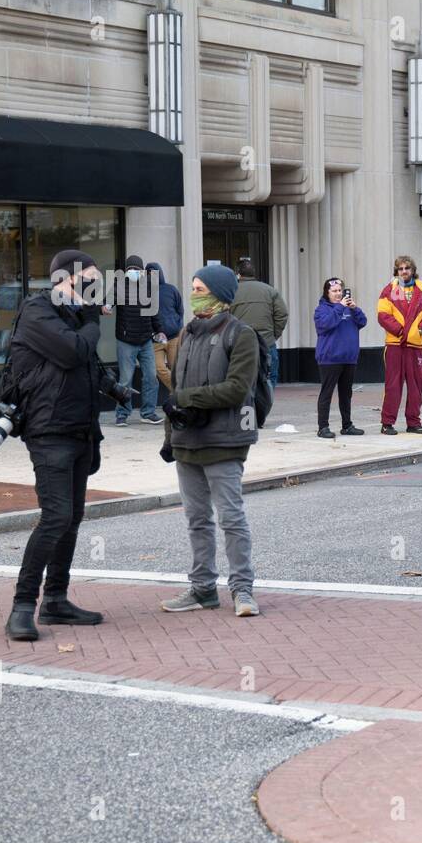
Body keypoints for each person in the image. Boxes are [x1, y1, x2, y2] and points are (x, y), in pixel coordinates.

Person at [4, 250, 108, 641]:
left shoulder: (73, 315)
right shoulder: (38, 310)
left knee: (73, 517)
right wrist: (93, 318)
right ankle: (22, 606)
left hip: (80, 429)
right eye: (90, 280)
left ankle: (56, 600)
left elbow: (87, 365)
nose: (96, 289)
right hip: (49, 430)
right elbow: (73, 352)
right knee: (56, 516)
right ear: (68, 278)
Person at [158, 264, 261, 618]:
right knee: (196, 519)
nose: (194, 293)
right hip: (188, 441)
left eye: (201, 288)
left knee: (231, 518)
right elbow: (177, 389)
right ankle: (202, 588)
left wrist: (186, 400)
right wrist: (170, 436)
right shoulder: (186, 334)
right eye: (193, 287)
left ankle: (242, 590)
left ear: (220, 294)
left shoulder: (240, 334)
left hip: (224, 440)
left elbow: (237, 389)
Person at [376, 255, 422, 435]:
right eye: (400, 269)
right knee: (393, 385)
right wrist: (401, 332)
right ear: (396, 272)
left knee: (416, 385)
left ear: (412, 270)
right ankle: (387, 423)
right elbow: (383, 316)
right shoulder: (389, 291)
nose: (404, 272)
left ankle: (413, 422)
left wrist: (420, 330)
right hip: (395, 345)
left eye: (407, 268)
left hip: (416, 345)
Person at [113, 255, 163, 425]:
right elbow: (107, 302)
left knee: (151, 377)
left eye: (136, 269)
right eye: (130, 269)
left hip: (146, 340)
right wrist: (104, 307)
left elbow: (154, 312)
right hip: (126, 340)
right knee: (125, 380)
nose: (133, 272)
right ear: (126, 272)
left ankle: (148, 412)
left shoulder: (149, 287)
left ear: (142, 272)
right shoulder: (119, 286)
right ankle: (122, 413)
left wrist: (159, 330)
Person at [314, 277, 367, 438]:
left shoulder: (349, 308)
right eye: (334, 291)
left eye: (340, 291)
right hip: (330, 358)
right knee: (327, 393)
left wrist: (355, 308)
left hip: (349, 358)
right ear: (327, 293)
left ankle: (347, 425)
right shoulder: (321, 309)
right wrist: (339, 307)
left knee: (346, 393)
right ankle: (323, 427)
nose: (338, 294)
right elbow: (325, 324)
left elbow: (363, 321)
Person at [231, 258, 287, 390]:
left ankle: (248, 408)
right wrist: (274, 335)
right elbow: (282, 314)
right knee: (269, 378)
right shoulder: (270, 291)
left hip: (241, 344)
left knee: (243, 380)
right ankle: (265, 407)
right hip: (266, 343)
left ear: (238, 274)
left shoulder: (231, 292)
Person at [148, 262, 184, 395]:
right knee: (159, 368)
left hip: (174, 337)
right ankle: (179, 392)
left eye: (154, 273)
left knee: (176, 369)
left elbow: (180, 310)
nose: (152, 276)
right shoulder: (145, 292)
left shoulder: (171, 289)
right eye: (149, 273)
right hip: (156, 339)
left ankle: (176, 402)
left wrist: (178, 326)